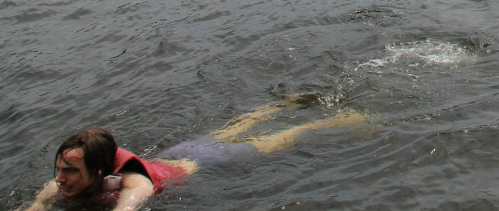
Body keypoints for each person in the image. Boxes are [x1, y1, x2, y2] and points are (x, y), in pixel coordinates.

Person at [19, 104, 365, 211]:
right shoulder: (62, 183)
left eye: (70, 171)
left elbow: (127, 207)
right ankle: (274, 107)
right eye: (59, 169)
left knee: (269, 143)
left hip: (205, 161)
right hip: (177, 152)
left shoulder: (133, 183)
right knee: (228, 129)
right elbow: (36, 205)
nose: (61, 177)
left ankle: (330, 119)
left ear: (98, 170)